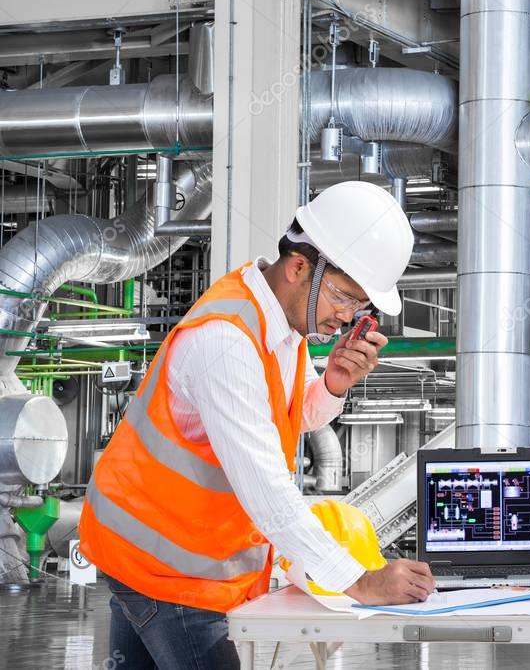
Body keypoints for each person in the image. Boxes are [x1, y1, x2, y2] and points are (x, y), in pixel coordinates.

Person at [79, 182, 435, 669]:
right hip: (171, 569)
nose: (348, 318)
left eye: (360, 309)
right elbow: (267, 489)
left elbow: (294, 414)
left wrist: (333, 383)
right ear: (299, 268)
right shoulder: (227, 342)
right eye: (346, 298)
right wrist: (360, 580)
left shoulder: (282, 326)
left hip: (152, 552)